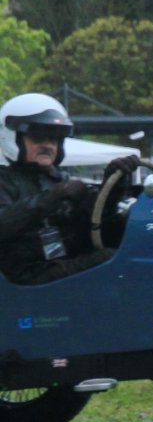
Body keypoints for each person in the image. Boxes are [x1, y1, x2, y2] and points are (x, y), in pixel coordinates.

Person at [0, 93, 140, 284]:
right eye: (38, 137)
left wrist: (113, 185)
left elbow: (95, 223)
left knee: (128, 249)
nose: (47, 145)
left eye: (54, 138)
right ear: (13, 137)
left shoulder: (59, 179)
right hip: (26, 274)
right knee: (108, 260)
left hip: (58, 267)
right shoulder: (4, 180)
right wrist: (51, 198)